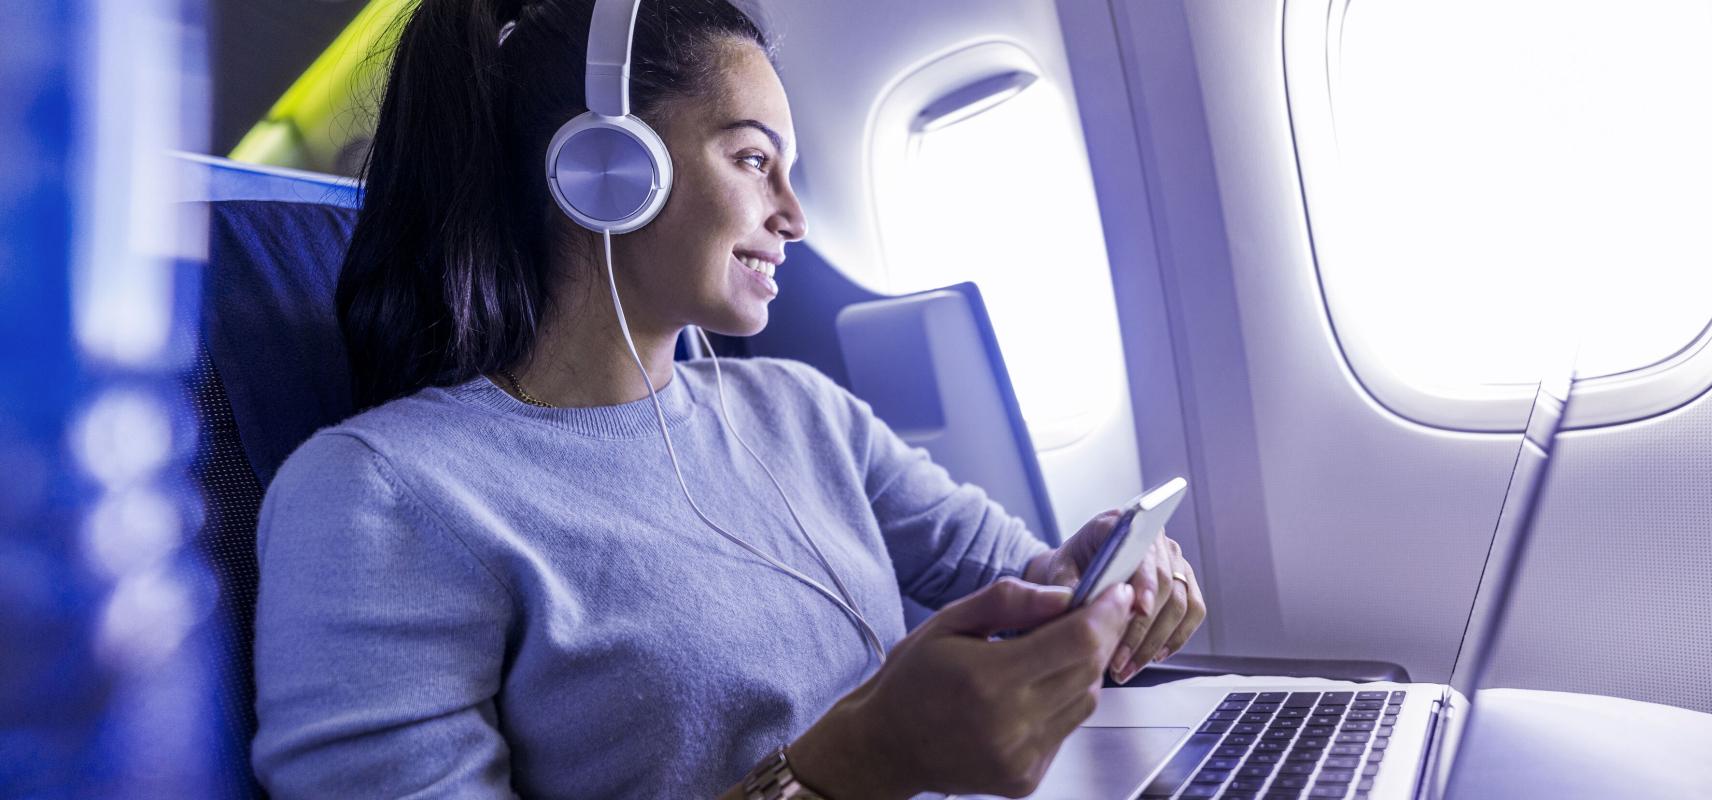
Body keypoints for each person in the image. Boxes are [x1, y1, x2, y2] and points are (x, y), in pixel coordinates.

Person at [250, 0, 1207, 797]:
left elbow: (1017, 579)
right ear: (605, 169)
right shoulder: (379, 497)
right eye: (754, 159)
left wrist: (1105, 582)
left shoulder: (801, 409)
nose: (792, 215)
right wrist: (857, 764)